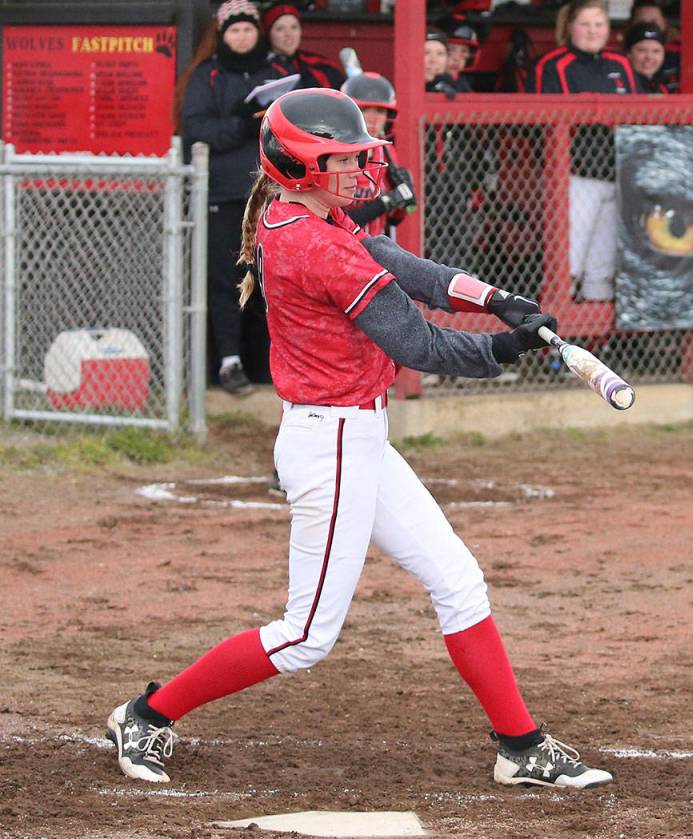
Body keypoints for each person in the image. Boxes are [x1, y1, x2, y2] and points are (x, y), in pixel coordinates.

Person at [106, 87, 614, 792]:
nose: (360, 168)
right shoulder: (312, 244)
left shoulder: (310, 214)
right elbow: (419, 342)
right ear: (302, 165)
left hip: (358, 437)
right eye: (341, 159)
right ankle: (146, 714)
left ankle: (521, 745)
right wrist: (505, 349)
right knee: (305, 635)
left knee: (459, 581)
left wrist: (495, 299)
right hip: (332, 443)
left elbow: (402, 264)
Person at [179, 0, 293, 395]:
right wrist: (241, 127)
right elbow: (195, 128)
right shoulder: (206, 76)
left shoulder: (277, 72)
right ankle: (228, 361)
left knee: (273, 280)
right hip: (224, 196)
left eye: (248, 30)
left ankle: (272, 366)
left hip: (273, 195)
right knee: (226, 278)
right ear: (223, 34)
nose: (242, 37)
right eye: (235, 30)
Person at [530, 0, 636, 301]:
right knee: (567, 263)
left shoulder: (621, 65)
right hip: (574, 175)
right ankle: (551, 340)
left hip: (616, 174)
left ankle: (595, 344)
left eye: (599, 24)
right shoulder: (552, 64)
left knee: (602, 267)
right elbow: (541, 122)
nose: (592, 31)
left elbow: (639, 112)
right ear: (570, 27)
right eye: (585, 24)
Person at [341, 73, 416, 239]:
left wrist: (403, 202)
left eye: (380, 111)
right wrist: (385, 203)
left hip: (377, 246)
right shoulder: (336, 153)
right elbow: (334, 221)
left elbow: (395, 220)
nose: (373, 119)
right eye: (365, 110)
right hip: (344, 246)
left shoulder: (386, 151)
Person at [262, 1, 346, 90]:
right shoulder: (258, 66)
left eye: (294, 27)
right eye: (280, 29)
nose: (288, 34)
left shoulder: (320, 65)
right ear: (269, 34)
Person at [627, 1, 679, 92]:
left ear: (664, 23)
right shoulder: (619, 69)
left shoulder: (680, 57)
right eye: (641, 50)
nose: (649, 27)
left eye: (656, 51)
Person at [624, 23, 669, 94]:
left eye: (656, 51)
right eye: (642, 50)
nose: (649, 57)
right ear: (628, 53)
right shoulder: (621, 86)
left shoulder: (663, 87)